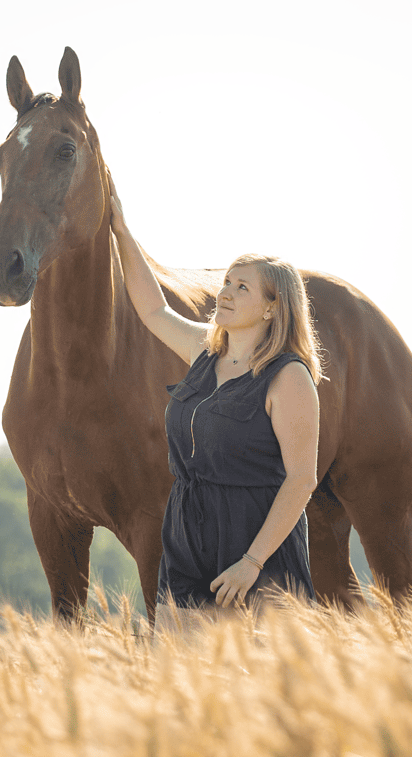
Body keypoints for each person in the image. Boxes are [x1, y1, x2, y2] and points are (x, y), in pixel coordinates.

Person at [110, 185, 322, 610]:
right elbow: (153, 310)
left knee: (264, 675)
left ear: (271, 308)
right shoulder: (204, 352)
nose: (224, 292)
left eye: (242, 287)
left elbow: (301, 480)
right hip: (187, 537)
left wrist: (252, 562)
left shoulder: (289, 378)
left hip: (256, 545)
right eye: (226, 281)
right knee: (176, 673)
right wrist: (120, 229)